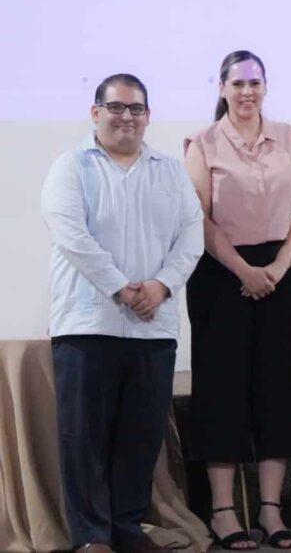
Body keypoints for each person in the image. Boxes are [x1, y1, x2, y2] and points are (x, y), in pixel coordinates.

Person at [41, 74, 204, 553]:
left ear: (148, 116)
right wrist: (121, 287)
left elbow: (191, 236)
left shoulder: (170, 171)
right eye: (116, 107)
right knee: (84, 438)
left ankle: (126, 529)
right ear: (96, 113)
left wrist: (161, 285)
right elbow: (70, 234)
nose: (126, 117)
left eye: (136, 109)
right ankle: (92, 537)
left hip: (153, 327)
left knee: (140, 437)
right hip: (87, 323)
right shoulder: (71, 167)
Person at [184, 50, 291, 550]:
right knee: (222, 391)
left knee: (279, 390)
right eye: (237, 83)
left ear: (265, 87)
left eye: (254, 82)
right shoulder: (202, 143)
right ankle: (223, 511)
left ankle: (270, 510)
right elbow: (197, 217)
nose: (246, 91)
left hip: (281, 272)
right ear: (221, 88)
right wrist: (244, 270)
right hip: (222, 275)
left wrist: (277, 268)